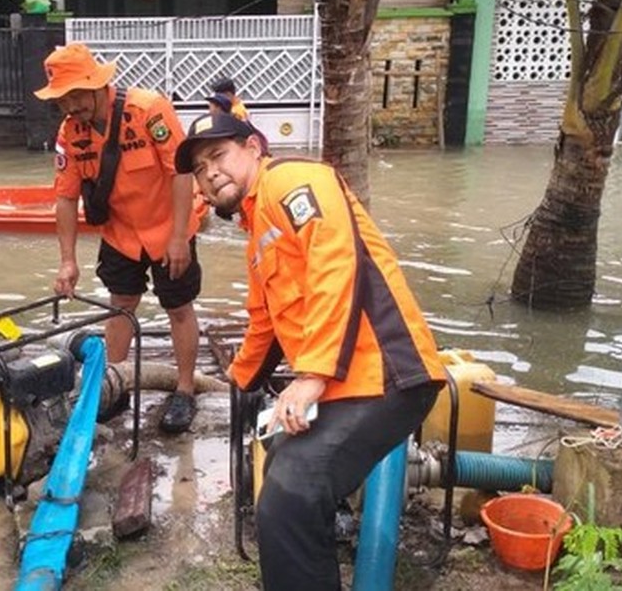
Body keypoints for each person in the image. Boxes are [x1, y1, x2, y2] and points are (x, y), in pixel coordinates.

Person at [174, 112, 447, 589]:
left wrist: (312, 376)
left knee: (292, 494)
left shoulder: (292, 180)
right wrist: (237, 381)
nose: (210, 173)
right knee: (283, 473)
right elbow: (265, 324)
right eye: (199, 169)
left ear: (254, 148)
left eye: (218, 156)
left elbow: (334, 263)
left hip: (387, 375)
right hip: (346, 384)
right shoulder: (258, 232)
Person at [34, 43, 203, 433]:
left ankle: (184, 390)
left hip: (168, 228)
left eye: (76, 95)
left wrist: (179, 237)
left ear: (97, 84)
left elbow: (181, 172)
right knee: (120, 305)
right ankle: (114, 385)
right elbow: (65, 197)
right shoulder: (69, 132)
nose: (71, 106)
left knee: (179, 307)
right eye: (62, 100)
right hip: (120, 233)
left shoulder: (148, 110)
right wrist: (67, 261)